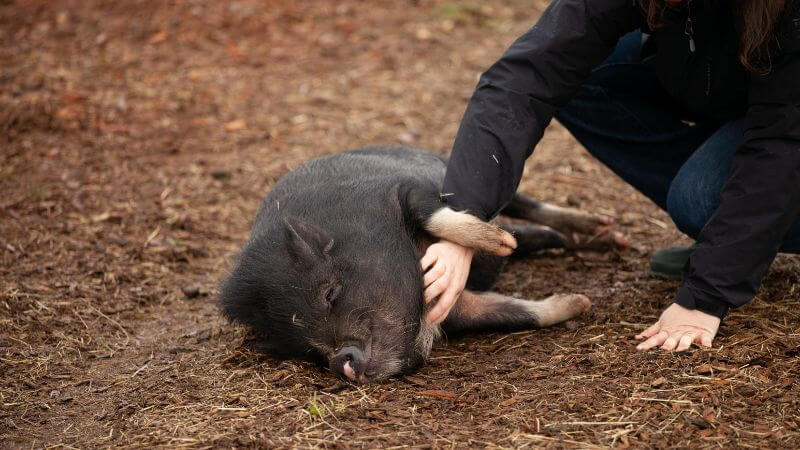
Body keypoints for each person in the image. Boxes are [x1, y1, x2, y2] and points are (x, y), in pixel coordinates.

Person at [420, 0, 800, 352]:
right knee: (585, 74)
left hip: (787, 107)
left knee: (699, 199)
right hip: (732, 78)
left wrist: (706, 294)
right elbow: (527, 76)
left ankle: (738, 235)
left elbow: (780, 143)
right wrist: (463, 221)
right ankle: (735, 232)